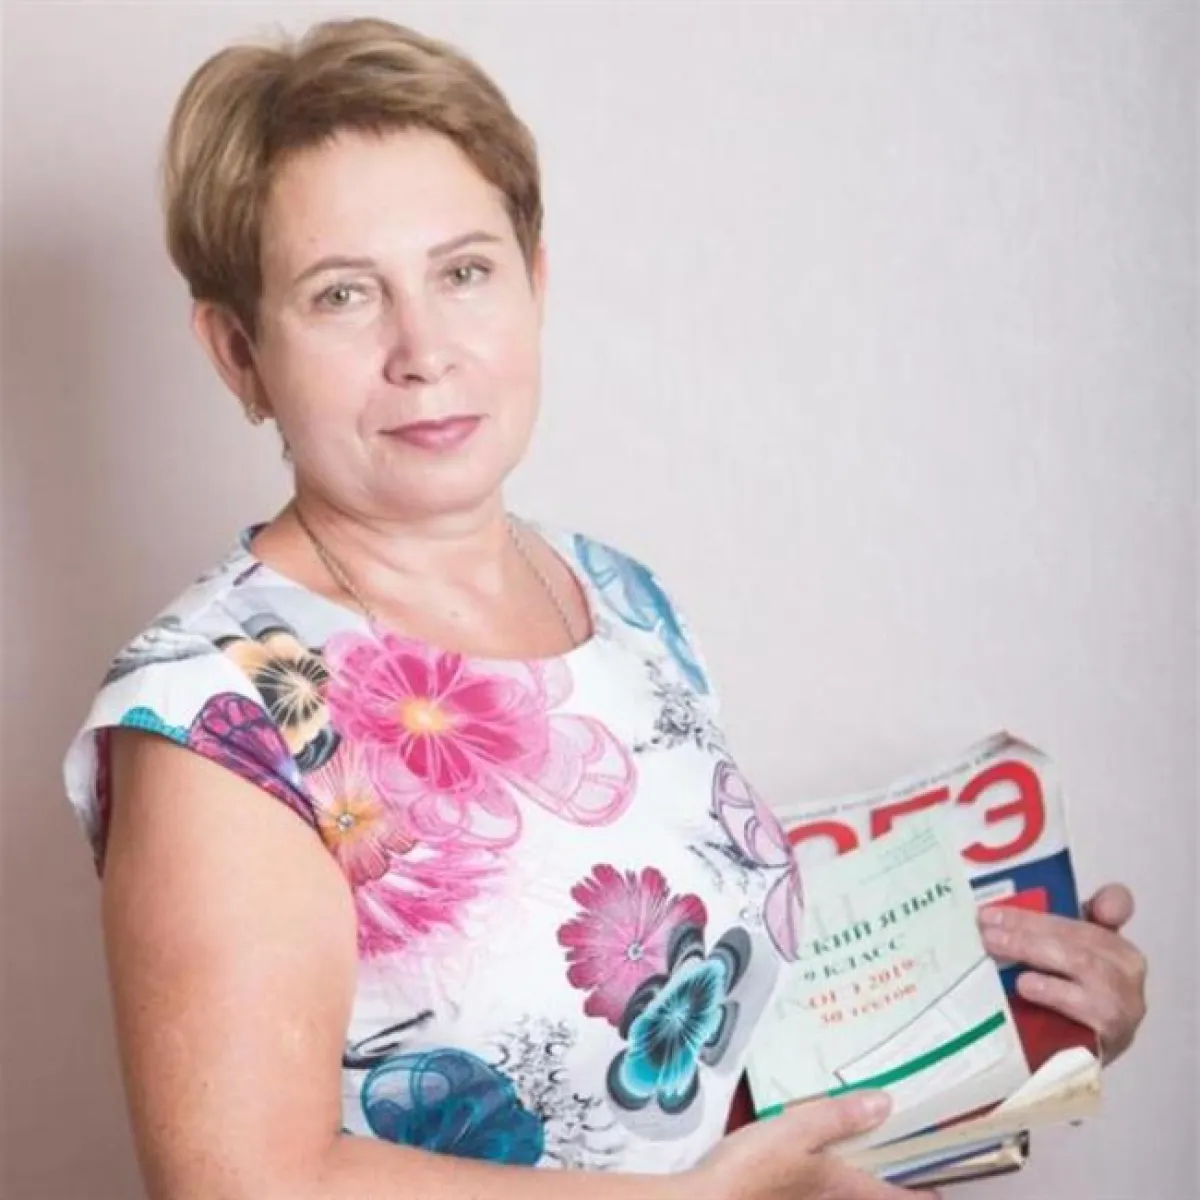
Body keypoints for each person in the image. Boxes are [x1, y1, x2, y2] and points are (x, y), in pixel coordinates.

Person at [63, 17, 1147, 1200]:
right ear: (237, 352)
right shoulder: (214, 715)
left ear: (535, 283)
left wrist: (1018, 1021)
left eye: (464, 272)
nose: (424, 349)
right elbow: (245, 1184)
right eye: (342, 295)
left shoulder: (616, 596)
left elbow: (697, 1068)